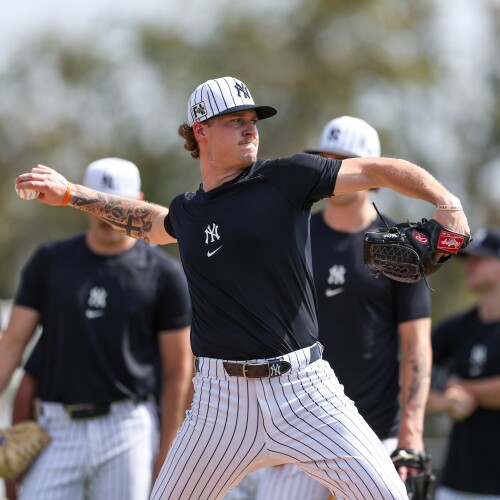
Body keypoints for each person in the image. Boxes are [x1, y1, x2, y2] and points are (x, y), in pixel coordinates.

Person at [13, 76, 470, 500]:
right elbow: (150, 223)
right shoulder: (189, 211)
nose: (250, 128)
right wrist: (71, 193)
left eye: (252, 120)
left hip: (304, 390)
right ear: (200, 131)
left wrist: (446, 202)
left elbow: (381, 170)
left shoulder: (287, 178)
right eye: (234, 120)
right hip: (220, 403)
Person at [242, 116, 432, 500]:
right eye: (325, 160)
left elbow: (416, 346)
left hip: (375, 430)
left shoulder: (401, 247)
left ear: (373, 172)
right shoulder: (292, 235)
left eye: (344, 161)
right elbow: (261, 332)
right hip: (297, 429)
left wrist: (411, 432)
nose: (333, 170)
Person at [1, 158, 193, 500]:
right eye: (99, 203)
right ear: (83, 201)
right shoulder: (49, 261)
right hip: (56, 427)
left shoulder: (165, 275)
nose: (107, 216)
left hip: (128, 426)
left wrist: (169, 449)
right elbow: (12, 346)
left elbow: (178, 371)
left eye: (116, 203)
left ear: (138, 201)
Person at [426, 227, 500, 500]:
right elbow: (407, 380)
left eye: (480, 259)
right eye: (468, 259)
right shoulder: (455, 329)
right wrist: (444, 401)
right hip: (456, 486)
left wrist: (464, 388)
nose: (468, 267)